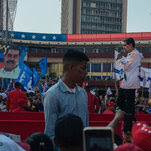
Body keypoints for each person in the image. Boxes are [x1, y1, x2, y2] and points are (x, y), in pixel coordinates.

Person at [43, 49, 89, 140]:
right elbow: (50, 132)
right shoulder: (52, 95)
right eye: (83, 68)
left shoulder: (83, 93)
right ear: (71, 68)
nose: (86, 72)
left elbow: (86, 126)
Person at [117, 37, 143, 121]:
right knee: (120, 102)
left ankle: (129, 122)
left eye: (125, 45)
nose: (124, 47)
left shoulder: (135, 55)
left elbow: (125, 67)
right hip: (126, 83)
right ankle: (131, 119)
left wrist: (120, 59)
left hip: (130, 83)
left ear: (131, 44)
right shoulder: (131, 55)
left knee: (129, 104)